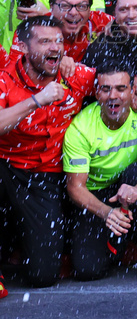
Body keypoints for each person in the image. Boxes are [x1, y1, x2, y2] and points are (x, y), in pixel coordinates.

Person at [0, 17, 97, 287]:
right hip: (5, 165)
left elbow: (120, 83)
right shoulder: (5, 76)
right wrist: (36, 100)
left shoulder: (74, 75)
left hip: (45, 175)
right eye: (44, 41)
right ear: (23, 46)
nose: (55, 47)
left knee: (43, 276)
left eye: (58, 41)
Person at [64, 64, 137, 282]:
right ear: (97, 92)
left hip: (132, 185)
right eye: (106, 89)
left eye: (120, 88)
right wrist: (107, 212)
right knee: (88, 270)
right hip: (96, 193)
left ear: (132, 91)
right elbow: (75, 187)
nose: (113, 96)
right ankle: (121, 245)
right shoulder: (80, 128)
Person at [48, 0, 112, 62]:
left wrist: (117, 27)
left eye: (81, 6)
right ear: (51, 7)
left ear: (89, 9)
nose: (73, 12)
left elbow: (131, 28)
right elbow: (24, 54)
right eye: (65, 6)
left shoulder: (100, 21)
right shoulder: (38, 27)